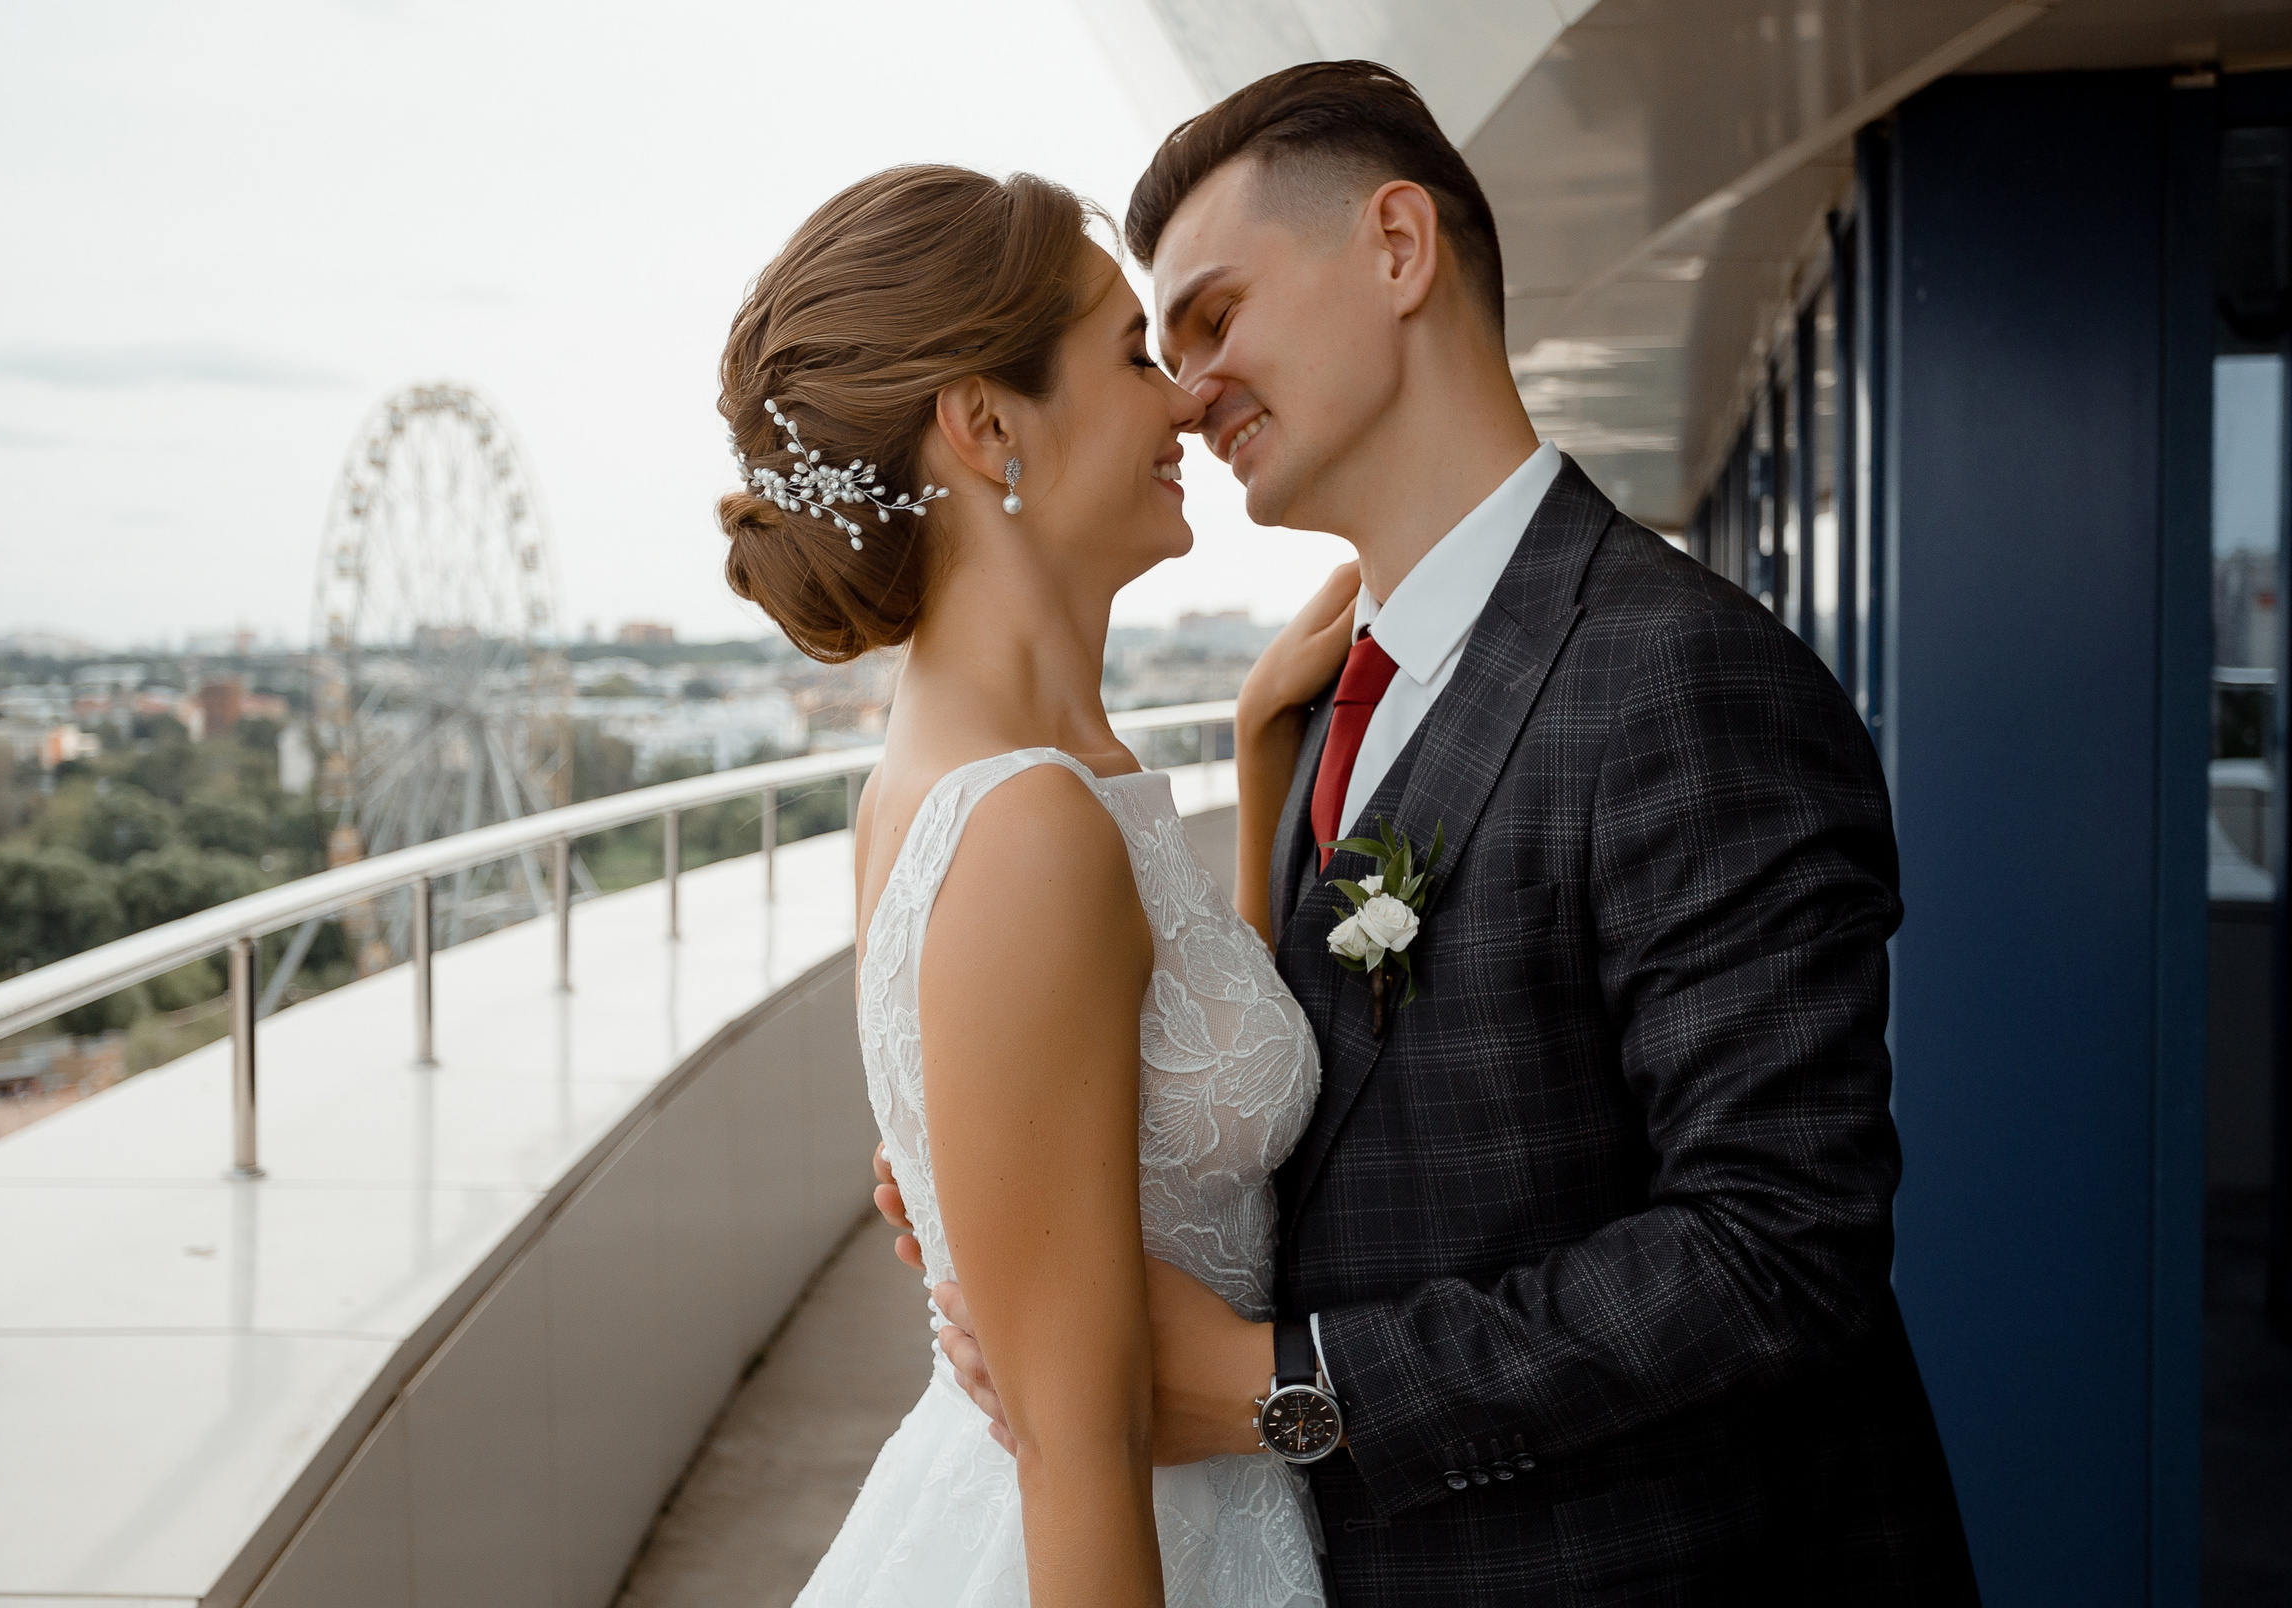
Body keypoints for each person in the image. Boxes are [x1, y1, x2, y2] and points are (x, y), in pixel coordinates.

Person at [882, 61, 1984, 1604]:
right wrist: (1025, 1180)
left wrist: (1290, 1388)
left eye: (1213, 318)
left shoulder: (1682, 677)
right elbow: (1324, 1110)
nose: (1189, 393)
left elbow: (1779, 1248)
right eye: (1160, 351)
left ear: (1399, 249)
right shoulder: (1323, 703)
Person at [717, 166, 1334, 1607]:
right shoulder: (1024, 828)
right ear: (989, 426)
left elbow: (1163, 1058)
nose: (1185, 400)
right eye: (1130, 355)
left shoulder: (981, 777)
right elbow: (1076, 1451)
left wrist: (1261, 753)